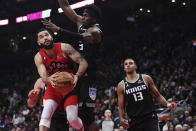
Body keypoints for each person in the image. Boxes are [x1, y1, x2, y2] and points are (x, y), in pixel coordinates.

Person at [42, 1, 103, 130]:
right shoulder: (81, 21)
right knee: (74, 113)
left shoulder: (95, 31)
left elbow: (83, 37)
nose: (83, 17)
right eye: (84, 14)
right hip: (77, 74)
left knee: (87, 116)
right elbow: (65, 6)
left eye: (87, 15)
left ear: (94, 18)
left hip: (89, 76)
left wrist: (59, 30)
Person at [34, 28, 88, 131]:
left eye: (47, 35)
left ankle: (81, 128)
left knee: (72, 119)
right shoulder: (38, 57)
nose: (45, 38)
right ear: (39, 42)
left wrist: (77, 75)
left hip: (69, 86)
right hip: (53, 87)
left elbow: (83, 62)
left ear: (51, 36)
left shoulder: (65, 47)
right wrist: (49, 79)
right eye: (41, 37)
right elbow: (43, 77)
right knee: (45, 115)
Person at [117, 58, 177, 131]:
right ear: (124, 68)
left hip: (149, 117)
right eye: (126, 64)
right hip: (134, 120)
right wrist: (122, 118)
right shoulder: (121, 85)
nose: (128, 65)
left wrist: (167, 104)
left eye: (130, 63)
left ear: (135, 66)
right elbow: (121, 106)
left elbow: (157, 95)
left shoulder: (145, 78)